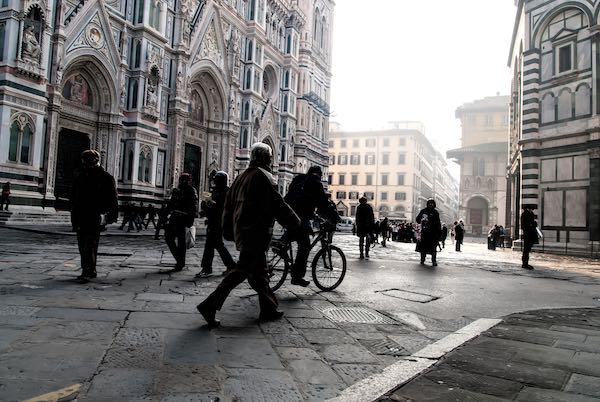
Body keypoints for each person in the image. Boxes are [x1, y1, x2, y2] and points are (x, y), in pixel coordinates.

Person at [196, 143, 301, 327]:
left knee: (259, 273)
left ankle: (268, 308)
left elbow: (228, 206)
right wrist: (295, 222)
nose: (270, 160)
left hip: (243, 231)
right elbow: (277, 204)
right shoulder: (264, 177)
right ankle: (209, 305)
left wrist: (228, 228)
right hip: (256, 232)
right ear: (265, 159)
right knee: (241, 270)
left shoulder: (241, 176)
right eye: (269, 157)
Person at [283, 165, 340, 286]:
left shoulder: (298, 179)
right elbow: (323, 204)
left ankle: (282, 244)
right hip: (301, 216)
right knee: (304, 245)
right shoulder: (316, 183)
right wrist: (335, 217)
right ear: (320, 175)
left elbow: (300, 199)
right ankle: (297, 277)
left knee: (296, 233)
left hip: (287, 213)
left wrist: (314, 215)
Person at [70, 150, 118, 283]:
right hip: (80, 215)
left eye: (89, 162)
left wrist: (110, 216)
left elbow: (112, 198)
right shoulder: (80, 176)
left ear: (96, 161)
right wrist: (73, 213)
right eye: (85, 162)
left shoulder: (105, 177)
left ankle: (88, 271)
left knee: (89, 244)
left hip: (95, 216)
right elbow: (74, 196)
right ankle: (89, 269)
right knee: (82, 244)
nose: (87, 164)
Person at [197, 171, 236, 278]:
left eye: (217, 179)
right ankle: (231, 265)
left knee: (210, 245)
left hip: (219, 222)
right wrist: (205, 208)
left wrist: (215, 206)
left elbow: (226, 208)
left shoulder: (226, 192)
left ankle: (207, 268)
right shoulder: (215, 191)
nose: (215, 181)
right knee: (217, 245)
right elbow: (210, 207)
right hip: (213, 221)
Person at [160, 173, 198, 274]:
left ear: (189, 180)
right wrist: (164, 215)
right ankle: (179, 259)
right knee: (168, 237)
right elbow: (171, 204)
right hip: (174, 218)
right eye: (182, 179)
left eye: (186, 180)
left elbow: (193, 207)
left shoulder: (191, 191)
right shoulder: (176, 191)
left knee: (181, 242)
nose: (183, 181)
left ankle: (180, 263)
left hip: (184, 219)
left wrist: (190, 220)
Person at [416, 199, 441, 266]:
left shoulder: (435, 212)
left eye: (432, 203)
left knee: (433, 248)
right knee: (423, 247)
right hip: (424, 232)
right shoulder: (423, 211)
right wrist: (422, 219)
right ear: (427, 204)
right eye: (429, 203)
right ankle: (422, 259)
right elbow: (417, 219)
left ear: (434, 204)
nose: (431, 205)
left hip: (433, 233)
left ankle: (433, 260)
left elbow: (438, 223)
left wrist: (439, 233)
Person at [520, 205, 538, 270]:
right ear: (527, 209)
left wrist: (533, 224)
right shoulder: (524, 214)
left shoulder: (530, 214)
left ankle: (526, 263)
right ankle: (524, 263)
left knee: (528, 249)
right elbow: (523, 225)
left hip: (531, 233)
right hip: (527, 234)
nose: (531, 210)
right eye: (530, 209)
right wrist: (531, 225)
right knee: (526, 249)